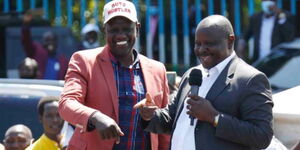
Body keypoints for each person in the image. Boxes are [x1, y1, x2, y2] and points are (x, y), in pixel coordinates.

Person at [134, 15, 274, 150]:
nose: (201, 50)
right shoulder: (192, 75)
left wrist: (215, 117)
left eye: (209, 44)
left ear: (230, 41)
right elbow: (171, 119)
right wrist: (149, 115)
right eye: (198, 44)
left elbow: (262, 136)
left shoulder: (251, 79)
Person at [58, 0, 170, 150]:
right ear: (105, 30)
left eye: (126, 29)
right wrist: (95, 117)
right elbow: (66, 104)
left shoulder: (157, 70)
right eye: (113, 29)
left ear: (137, 28)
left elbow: (164, 131)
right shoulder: (84, 61)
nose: (120, 35)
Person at [21, 13, 68, 80]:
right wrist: (25, 25)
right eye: (47, 40)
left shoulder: (63, 60)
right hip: (39, 88)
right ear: (42, 42)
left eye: (52, 40)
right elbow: (26, 41)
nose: (50, 43)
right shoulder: (36, 52)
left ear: (56, 42)